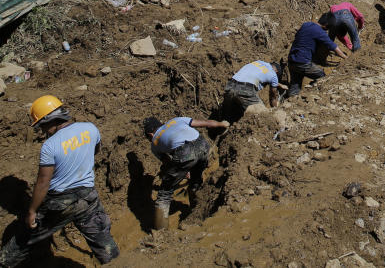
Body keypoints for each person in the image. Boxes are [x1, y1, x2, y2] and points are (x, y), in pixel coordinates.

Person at [0, 96, 119, 266]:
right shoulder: (90, 128)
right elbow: (95, 150)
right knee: (102, 240)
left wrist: (32, 211)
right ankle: (115, 262)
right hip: (88, 196)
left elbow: (43, 182)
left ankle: (4, 262)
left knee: (25, 239)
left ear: (49, 120)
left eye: (42, 125)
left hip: (60, 202)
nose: (42, 130)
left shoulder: (50, 146)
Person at [142, 115, 228, 230]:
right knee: (195, 182)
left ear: (150, 135)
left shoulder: (154, 143)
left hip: (185, 153)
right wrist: (222, 124)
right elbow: (205, 123)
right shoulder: (175, 120)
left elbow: (168, 163)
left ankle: (160, 233)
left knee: (164, 194)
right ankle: (196, 213)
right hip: (203, 146)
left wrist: (182, 170)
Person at [287, 23, 337, 97]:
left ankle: (290, 102)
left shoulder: (306, 25)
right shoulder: (320, 32)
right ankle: (311, 93)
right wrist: (345, 57)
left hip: (292, 60)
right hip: (303, 62)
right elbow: (332, 45)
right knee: (322, 76)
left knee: (295, 83)